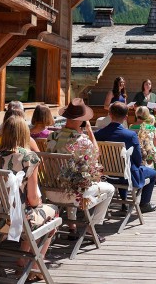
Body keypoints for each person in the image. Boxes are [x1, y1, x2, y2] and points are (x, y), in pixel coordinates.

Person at [0, 115, 58, 281]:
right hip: (20, 220)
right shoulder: (29, 158)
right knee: (52, 212)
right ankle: (33, 266)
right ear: (24, 134)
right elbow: (33, 200)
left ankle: (23, 259)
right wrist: (39, 203)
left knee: (34, 213)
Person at [47, 98, 115, 240]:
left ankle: (73, 228)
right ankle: (92, 227)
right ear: (82, 120)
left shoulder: (52, 136)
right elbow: (96, 154)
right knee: (109, 189)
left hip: (51, 190)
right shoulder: (83, 141)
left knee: (73, 178)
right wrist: (89, 131)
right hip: (73, 195)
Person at [95, 102, 156, 213]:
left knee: (124, 168)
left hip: (105, 176)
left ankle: (124, 204)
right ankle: (144, 204)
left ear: (110, 114)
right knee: (152, 173)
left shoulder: (98, 134)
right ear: (126, 117)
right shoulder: (130, 135)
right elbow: (138, 161)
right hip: (126, 177)